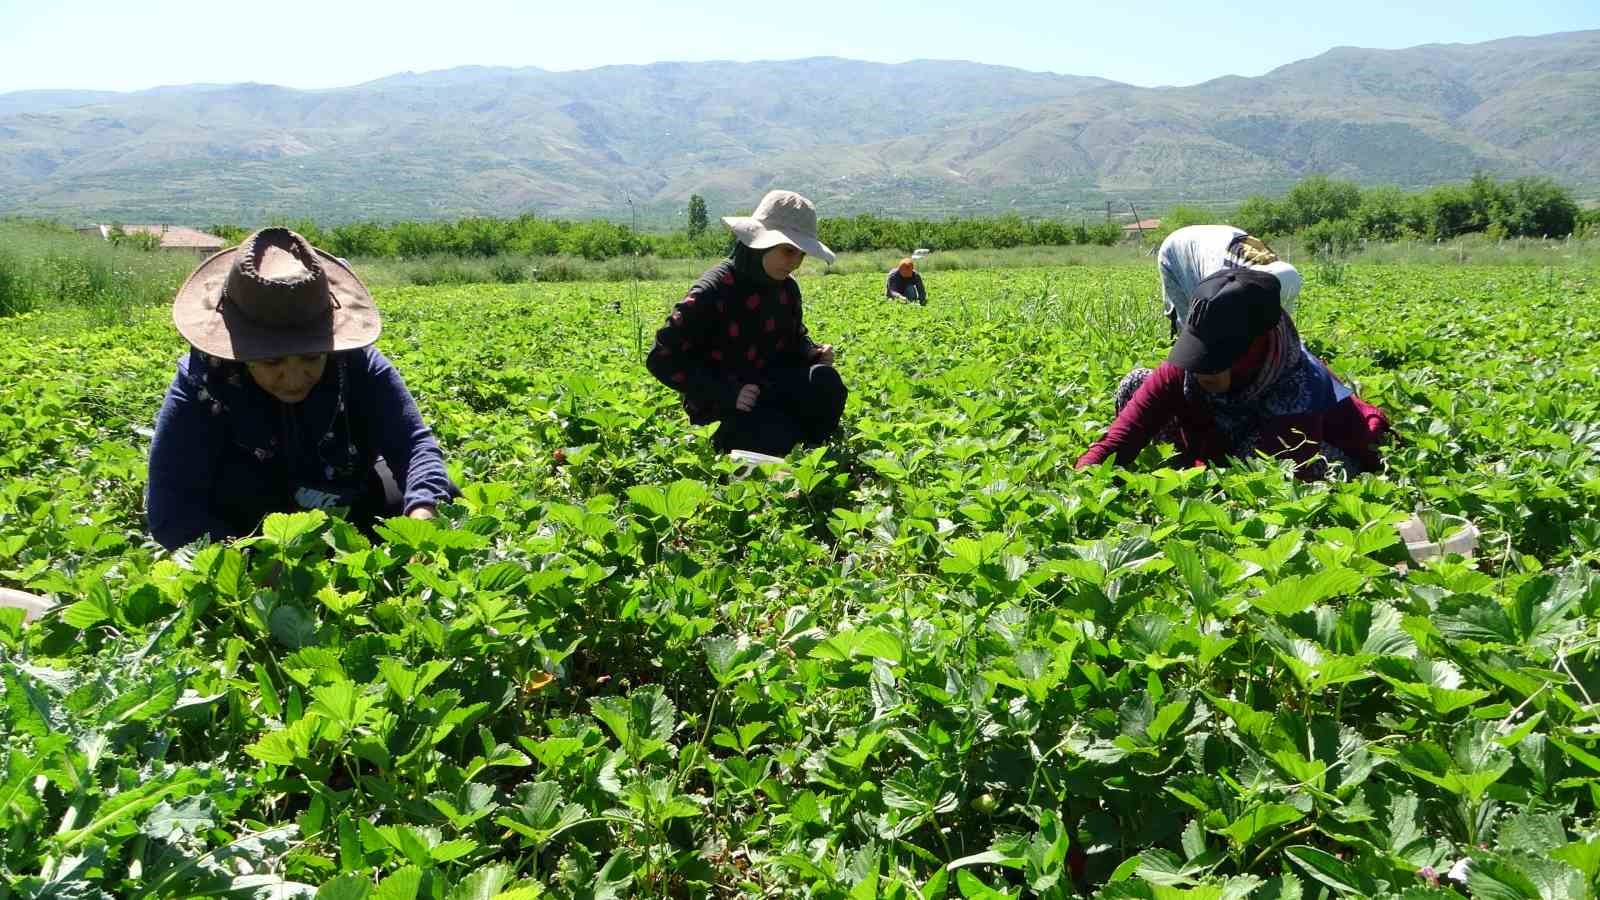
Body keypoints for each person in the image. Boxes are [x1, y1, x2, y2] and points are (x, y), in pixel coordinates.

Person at [146, 227, 457, 550]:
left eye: (311, 357)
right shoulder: (203, 381)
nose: (294, 378)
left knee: (434, 495)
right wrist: (251, 565)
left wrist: (422, 516)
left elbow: (413, 444)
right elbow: (171, 508)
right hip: (248, 522)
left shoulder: (356, 363)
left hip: (341, 497)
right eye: (271, 362)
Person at [1076, 269, 1388, 480]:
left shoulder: (1298, 386)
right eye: (1200, 353)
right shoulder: (1186, 367)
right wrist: (1082, 482)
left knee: (1300, 469)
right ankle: (1189, 465)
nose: (1202, 370)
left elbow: (1255, 483)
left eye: (1218, 357)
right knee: (1137, 383)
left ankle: (1190, 468)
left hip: (1309, 448)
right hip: (1216, 441)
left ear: (1258, 346)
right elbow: (1119, 440)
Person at [646, 190, 847, 457]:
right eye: (788, 251)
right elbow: (661, 358)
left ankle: (806, 452)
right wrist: (726, 392)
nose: (795, 263)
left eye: (801, 254)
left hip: (769, 389)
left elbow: (792, 340)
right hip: (722, 407)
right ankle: (783, 448)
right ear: (759, 243)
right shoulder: (713, 290)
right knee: (777, 434)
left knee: (825, 382)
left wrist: (811, 352)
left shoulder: (786, 289)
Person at [1158, 224, 1302, 337]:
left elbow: (1278, 323)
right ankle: (1183, 370)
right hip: (1179, 248)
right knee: (1193, 324)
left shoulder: (1282, 274)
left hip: (1220, 241)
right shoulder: (1222, 280)